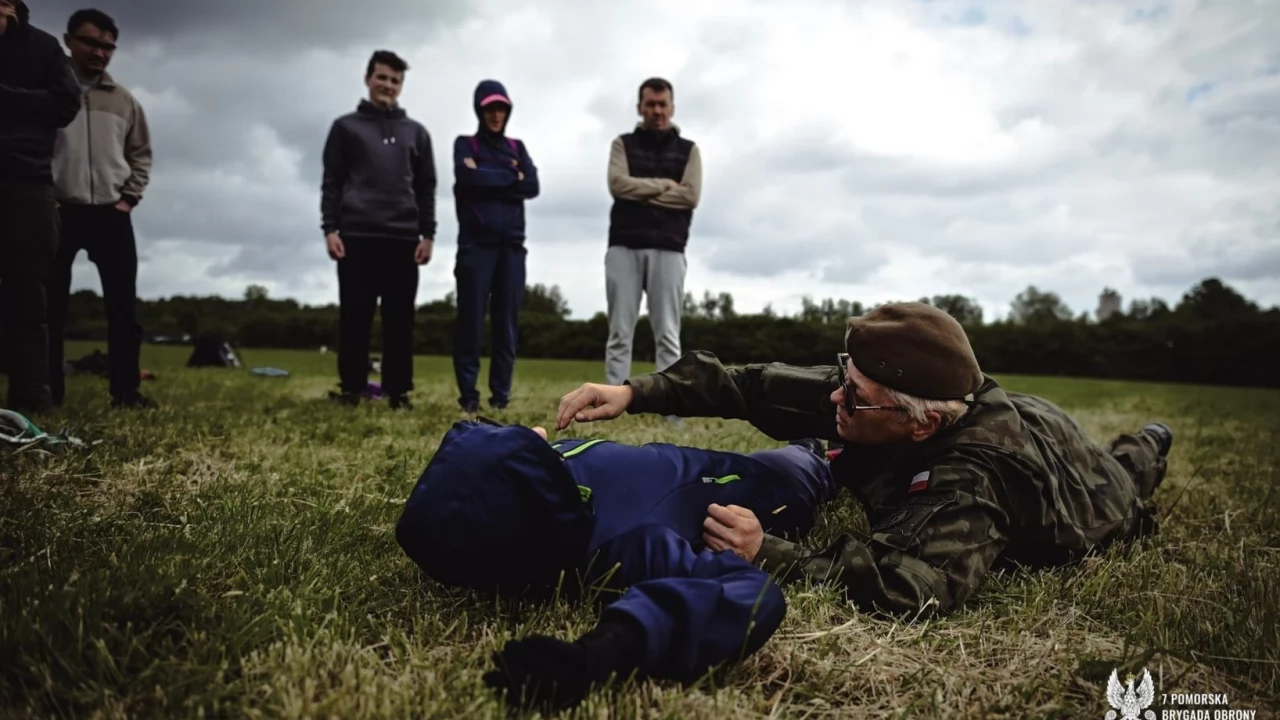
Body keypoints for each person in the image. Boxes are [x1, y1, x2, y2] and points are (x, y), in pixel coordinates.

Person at [554, 302, 1174, 619]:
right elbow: (753, 385)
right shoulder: (875, 394)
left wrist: (768, 552)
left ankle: (1153, 438)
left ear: (921, 421)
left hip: (1081, 480)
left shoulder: (973, 479)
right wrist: (634, 392)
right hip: (1019, 410)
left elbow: (917, 584)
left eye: (853, 396)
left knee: (1128, 469)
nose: (835, 399)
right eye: (844, 380)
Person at [395, 418, 835, 712]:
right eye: (525, 442)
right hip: (780, 484)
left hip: (717, 463)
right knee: (813, 461)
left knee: (808, 446)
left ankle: (816, 446)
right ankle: (821, 455)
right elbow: (752, 595)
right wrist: (607, 651)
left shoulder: (539, 486)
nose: (540, 431)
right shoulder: (623, 541)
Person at [46, 8, 154, 410]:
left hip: (112, 212)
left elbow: (140, 154)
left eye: (108, 46)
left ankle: (126, 393)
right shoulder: (48, 91)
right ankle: (48, 393)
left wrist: (128, 199)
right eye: (90, 42)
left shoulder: (124, 102)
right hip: (57, 211)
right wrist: (45, 196)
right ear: (68, 40)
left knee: (123, 309)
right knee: (50, 308)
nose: (99, 52)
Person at [320, 49, 436, 410]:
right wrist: (330, 228)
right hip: (355, 235)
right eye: (382, 77)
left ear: (401, 86)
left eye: (395, 80)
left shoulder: (416, 133)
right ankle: (352, 389)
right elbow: (332, 182)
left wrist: (428, 234)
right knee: (355, 317)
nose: (388, 85)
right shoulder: (345, 128)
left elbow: (426, 187)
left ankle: (397, 392)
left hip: (403, 238)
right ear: (368, 79)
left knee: (400, 321)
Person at [0, 0, 81, 415]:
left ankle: (31, 398)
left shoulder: (43, 47)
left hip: (26, 180)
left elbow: (66, 105)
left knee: (28, 294)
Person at [603, 77, 702, 387]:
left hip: (669, 247)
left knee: (668, 334)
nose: (657, 110)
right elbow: (618, 185)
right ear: (640, 107)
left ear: (672, 107)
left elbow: (690, 196)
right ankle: (612, 402)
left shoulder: (689, 150)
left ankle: (670, 404)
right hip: (624, 246)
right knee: (619, 334)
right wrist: (665, 186)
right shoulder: (622, 144)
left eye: (662, 104)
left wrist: (640, 191)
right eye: (650, 104)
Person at [450, 80, 539, 413]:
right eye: (490, 108)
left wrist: (488, 174)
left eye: (501, 108)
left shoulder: (517, 147)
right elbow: (467, 178)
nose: (496, 114)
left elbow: (532, 185)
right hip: (475, 247)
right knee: (470, 323)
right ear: (480, 110)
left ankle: (500, 396)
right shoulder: (465, 144)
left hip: (511, 248)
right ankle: (468, 395)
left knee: (506, 325)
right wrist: (510, 176)